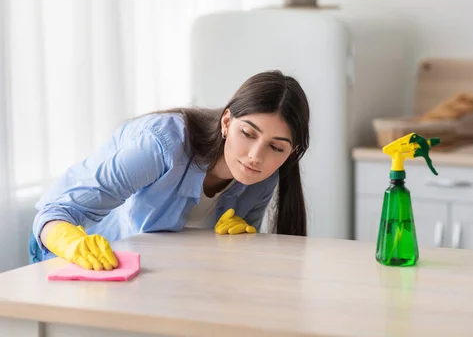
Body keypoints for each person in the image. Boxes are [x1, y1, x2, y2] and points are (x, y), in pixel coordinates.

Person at [29, 70, 310, 270]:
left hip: (154, 275)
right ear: (227, 122)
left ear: (291, 152)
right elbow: (55, 213)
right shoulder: (161, 146)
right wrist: (71, 244)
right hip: (64, 254)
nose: (255, 156)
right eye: (248, 133)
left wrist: (238, 243)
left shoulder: (265, 177)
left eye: (276, 147)